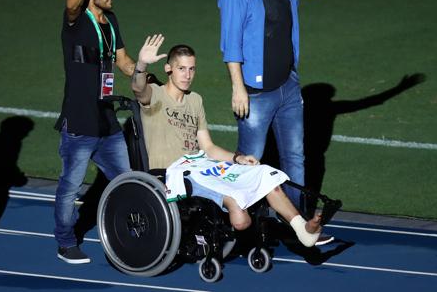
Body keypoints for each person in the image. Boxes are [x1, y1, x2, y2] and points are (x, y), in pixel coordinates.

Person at [217, 0, 380, 228]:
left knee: (295, 158)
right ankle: (236, 222)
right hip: (254, 94)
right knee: (248, 163)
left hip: (289, 88)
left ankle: (297, 224)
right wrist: (238, 88)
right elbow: (231, 46)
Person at [131, 36, 323, 247]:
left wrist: (238, 158)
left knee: (264, 174)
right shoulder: (155, 95)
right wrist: (141, 64)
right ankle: (236, 212)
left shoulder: (195, 100)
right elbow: (139, 89)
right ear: (169, 68)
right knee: (237, 213)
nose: (187, 75)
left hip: (202, 165)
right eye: (181, 69)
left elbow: (209, 147)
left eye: (192, 69)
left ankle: (302, 229)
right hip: (176, 172)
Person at [53, 0, 138, 264]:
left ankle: (131, 231)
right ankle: (65, 241)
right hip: (79, 123)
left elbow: (123, 61)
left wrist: (147, 73)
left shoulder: (111, 21)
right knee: (71, 187)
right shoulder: (75, 22)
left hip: (107, 121)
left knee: (126, 180)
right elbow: (71, 5)